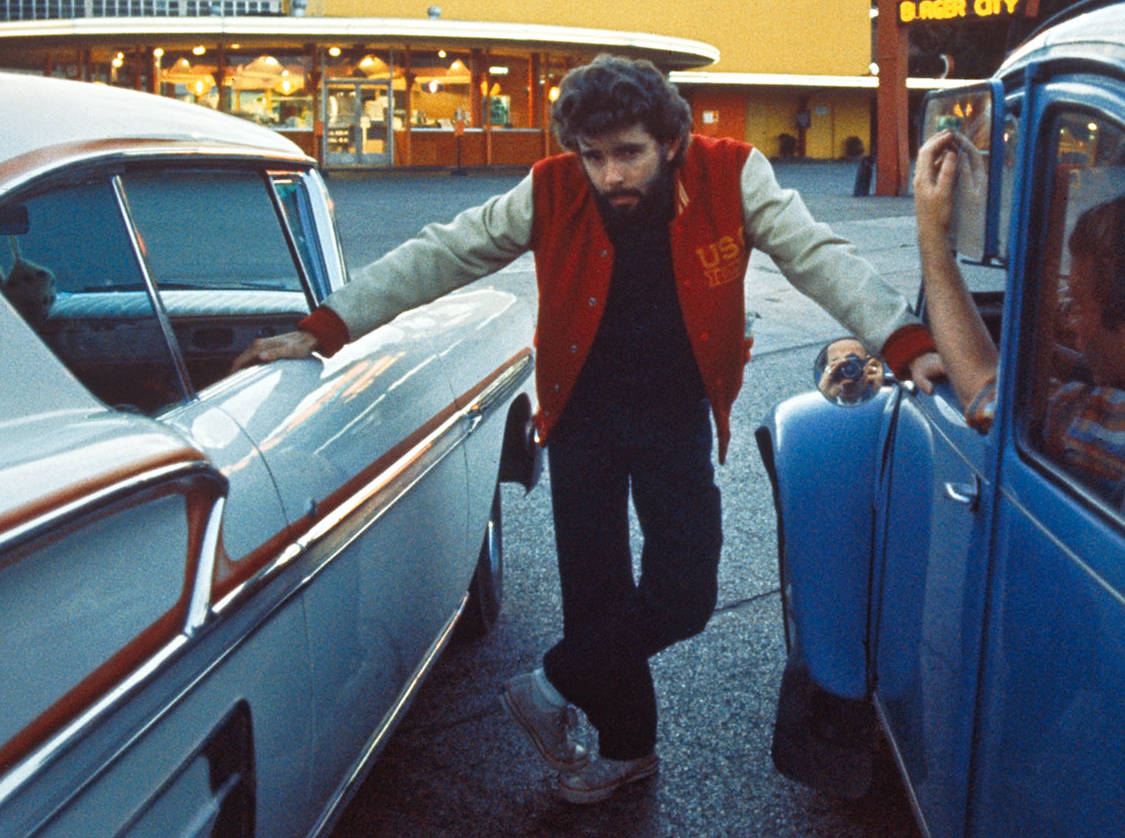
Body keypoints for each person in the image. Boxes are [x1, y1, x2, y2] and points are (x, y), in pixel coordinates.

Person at [236, 55, 942, 803]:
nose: (610, 175)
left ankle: (549, 685)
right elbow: (443, 252)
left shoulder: (732, 174)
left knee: (685, 593)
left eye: (628, 153)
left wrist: (904, 339)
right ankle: (624, 749)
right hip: (581, 419)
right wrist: (326, 327)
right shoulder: (550, 188)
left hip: (675, 415)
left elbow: (816, 256)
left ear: (670, 141)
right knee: (596, 593)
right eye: (594, 155)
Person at [912, 131, 1125, 492]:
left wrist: (931, 235)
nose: (1067, 321)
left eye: (1077, 305)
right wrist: (1056, 356)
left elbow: (986, 395)